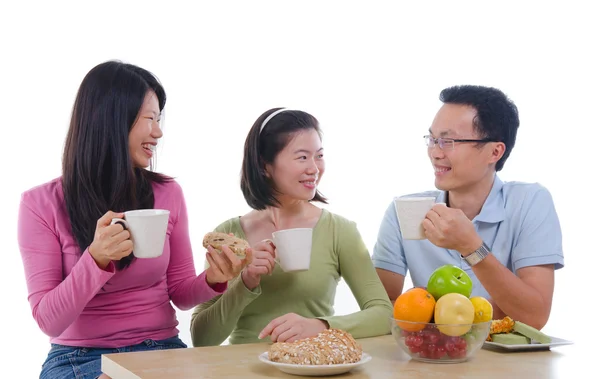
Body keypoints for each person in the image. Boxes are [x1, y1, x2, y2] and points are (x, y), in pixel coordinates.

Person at [17, 61, 242, 379]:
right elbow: (48, 320)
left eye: (159, 119)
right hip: (78, 358)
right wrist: (94, 260)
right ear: (113, 120)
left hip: (161, 352)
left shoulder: (167, 193)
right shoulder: (40, 203)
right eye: (150, 118)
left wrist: (215, 278)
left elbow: (180, 292)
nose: (158, 132)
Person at [190, 108, 393, 346]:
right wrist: (246, 282)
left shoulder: (339, 231)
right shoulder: (230, 235)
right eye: (302, 157)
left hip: (312, 367)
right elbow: (201, 339)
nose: (314, 168)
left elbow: (383, 314)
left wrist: (321, 326)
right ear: (265, 165)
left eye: (319, 155)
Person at [372, 85, 564, 330]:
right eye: (432, 139)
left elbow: (534, 316)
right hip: (432, 362)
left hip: (509, 366)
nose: (434, 152)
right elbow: (380, 306)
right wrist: (477, 311)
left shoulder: (529, 202)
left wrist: (471, 246)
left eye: (448, 141)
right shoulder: (406, 211)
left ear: (495, 151)